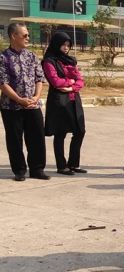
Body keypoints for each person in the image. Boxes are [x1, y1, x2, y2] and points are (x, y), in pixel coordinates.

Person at [0, 23, 49, 181]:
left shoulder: (32, 56)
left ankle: (37, 169)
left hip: (33, 105)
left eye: (28, 35)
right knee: (14, 139)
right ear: (14, 36)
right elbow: (3, 83)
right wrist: (19, 100)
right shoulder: (3, 57)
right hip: (11, 107)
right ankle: (19, 170)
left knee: (37, 137)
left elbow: (39, 79)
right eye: (24, 35)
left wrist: (35, 97)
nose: (28, 38)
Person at [41, 32, 86, 176]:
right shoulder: (49, 61)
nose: (66, 48)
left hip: (74, 100)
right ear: (56, 44)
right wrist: (71, 82)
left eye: (68, 45)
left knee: (80, 131)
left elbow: (80, 81)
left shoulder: (71, 61)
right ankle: (61, 166)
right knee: (60, 134)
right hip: (59, 102)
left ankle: (73, 164)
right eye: (63, 45)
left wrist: (71, 86)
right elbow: (55, 82)